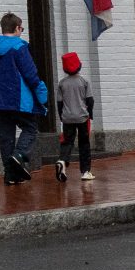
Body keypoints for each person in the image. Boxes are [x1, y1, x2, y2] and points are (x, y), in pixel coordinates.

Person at [0, 12, 47, 183]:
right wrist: (42, 94)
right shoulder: (19, 47)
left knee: (6, 138)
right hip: (18, 98)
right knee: (30, 127)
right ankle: (19, 155)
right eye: (22, 28)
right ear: (18, 28)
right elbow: (30, 73)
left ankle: (10, 176)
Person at [53, 50, 95, 184]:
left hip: (67, 118)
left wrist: (62, 117)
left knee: (67, 142)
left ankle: (62, 161)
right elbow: (90, 100)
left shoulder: (62, 83)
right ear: (79, 66)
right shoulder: (84, 81)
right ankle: (85, 171)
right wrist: (90, 114)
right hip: (82, 117)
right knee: (84, 144)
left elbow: (59, 103)